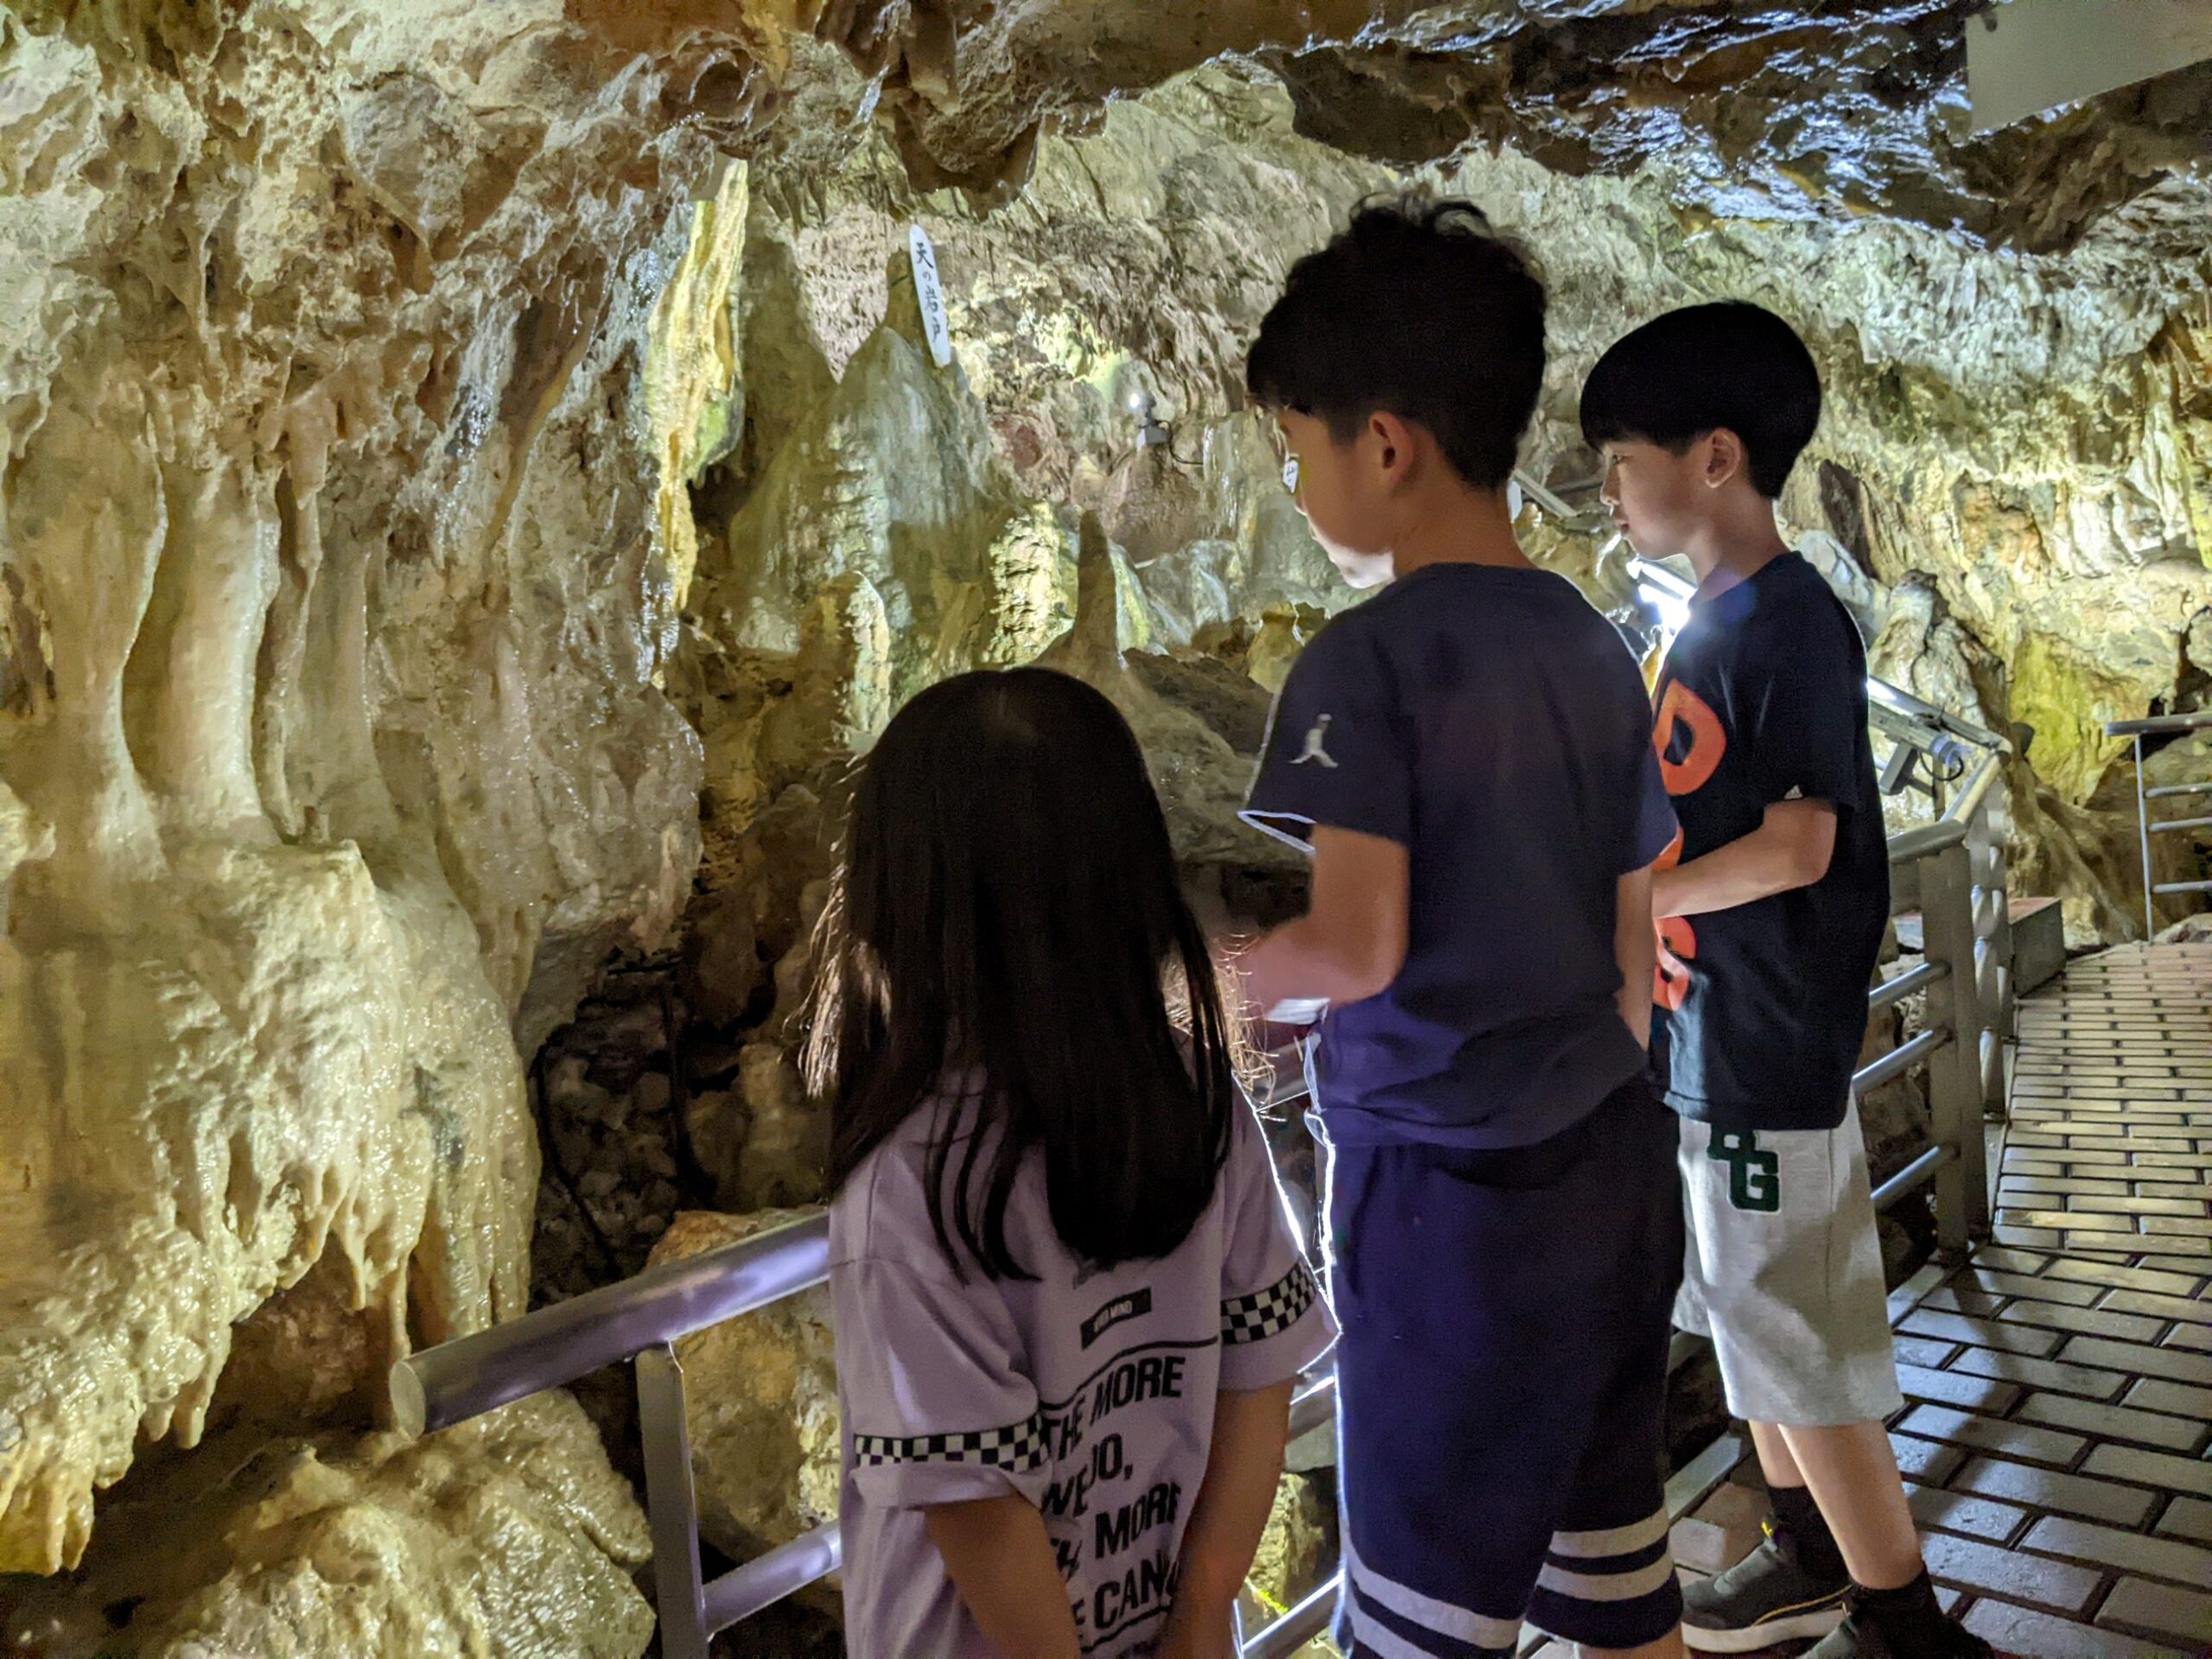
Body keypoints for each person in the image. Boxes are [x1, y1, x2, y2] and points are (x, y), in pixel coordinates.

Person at [1233, 194, 1687, 1659]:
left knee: (1426, 1616)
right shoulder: (1592, 643)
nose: (1298, 486)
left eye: (1296, 448)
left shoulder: (1361, 665)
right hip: (1612, 1168)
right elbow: (1636, 950)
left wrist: (1200, 979)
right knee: (1617, 1582)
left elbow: (1355, 949)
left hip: (1447, 1203)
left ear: (1384, 443)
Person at [1582, 302, 1992, 1659]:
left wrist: (1643, 898)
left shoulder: (1791, 620)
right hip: (1705, 1038)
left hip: (1764, 1042)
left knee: (1791, 1330)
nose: (1605, 484)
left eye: (1617, 457)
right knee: (1746, 1311)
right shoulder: (1705, 622)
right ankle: (1807, 1557)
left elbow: (1805, 837)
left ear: (1712, 457)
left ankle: (1900, 1618)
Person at [810, 666, 1336, 1659]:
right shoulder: (1195, 1096)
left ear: (898, 894)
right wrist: (1198, 1618)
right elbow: (1260, 1383)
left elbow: (970, 1504)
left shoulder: (912, 1180)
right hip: (1156, 1624)